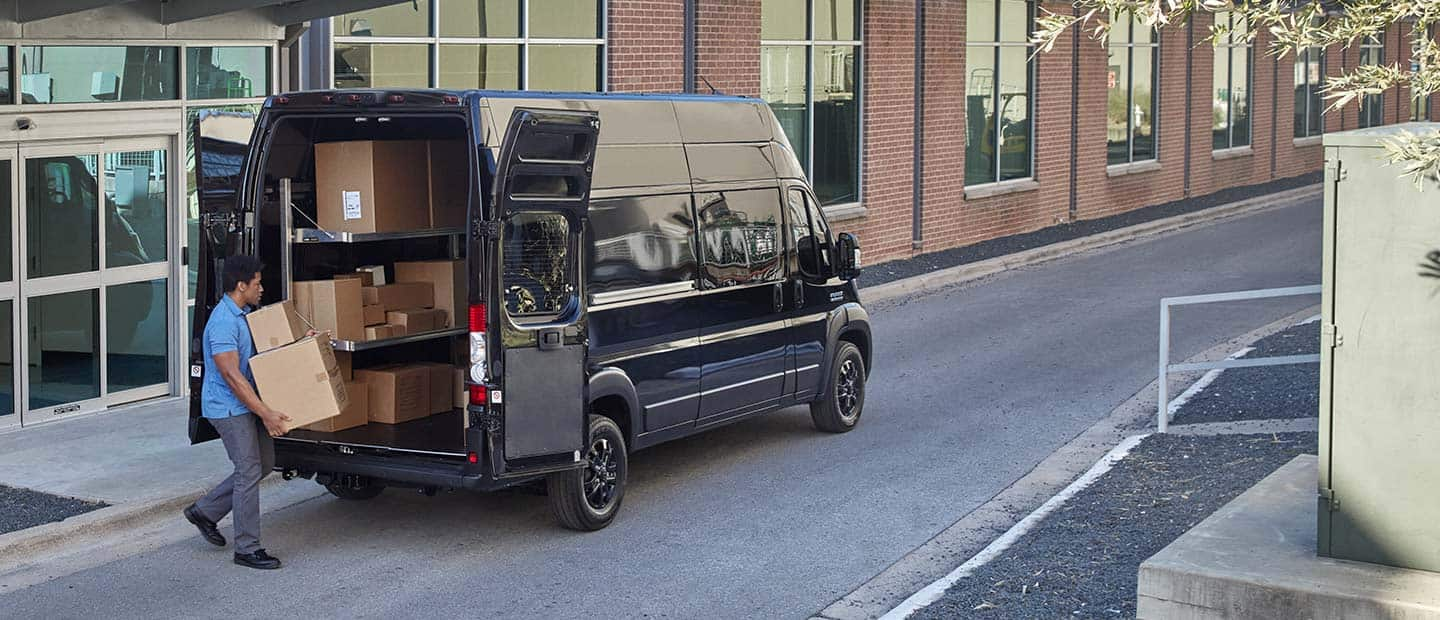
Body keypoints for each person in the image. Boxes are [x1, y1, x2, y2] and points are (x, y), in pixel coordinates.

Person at [183, 255, 293, 570]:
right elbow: (233, 377)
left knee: (264, 464)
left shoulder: (244, 315)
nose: (261, 288)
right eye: (257, 283)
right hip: (228, 408)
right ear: (241, 285)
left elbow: (261, 357)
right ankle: (247, 548)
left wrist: (302, 345)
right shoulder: (221, 323)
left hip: (248, 403)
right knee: (248, 471)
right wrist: (267, 414)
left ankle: (204, 511)